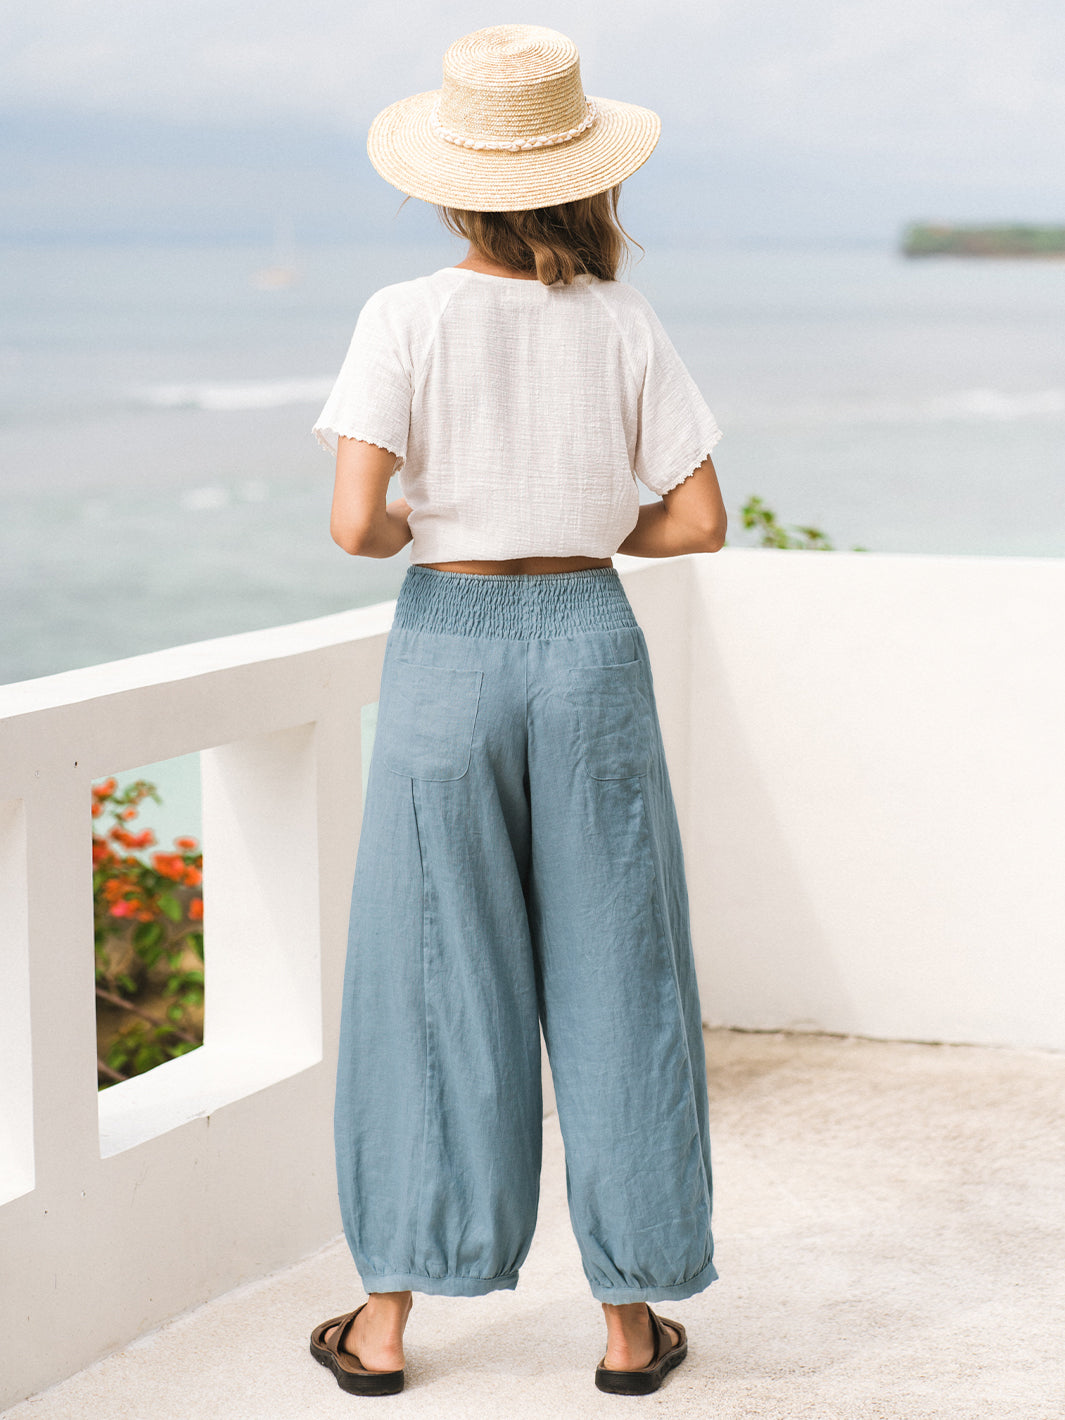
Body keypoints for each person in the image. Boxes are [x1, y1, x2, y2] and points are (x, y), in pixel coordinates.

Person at [308, 24, 727, 1399]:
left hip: (446, 650)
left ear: (450, 186)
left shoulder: (401, 316)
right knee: (622, 979)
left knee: (430, 980)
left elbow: (354, 524)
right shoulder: (620, 320)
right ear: (583, 180)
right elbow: (698, 520)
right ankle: (626, 1325)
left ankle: (380, 1329)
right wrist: (583, 522)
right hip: (587, 643)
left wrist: (430, 524)